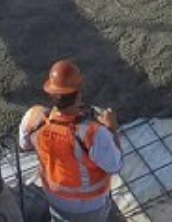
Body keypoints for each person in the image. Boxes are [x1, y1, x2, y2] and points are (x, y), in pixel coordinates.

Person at [19, 60, 123, 221]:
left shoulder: (33, 118)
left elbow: (24, 145)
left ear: (51, 94)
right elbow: (115, 165)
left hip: (55, 199)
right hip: (89, 206)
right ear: (78, 94)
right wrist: (112, 129)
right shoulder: (94, 133)